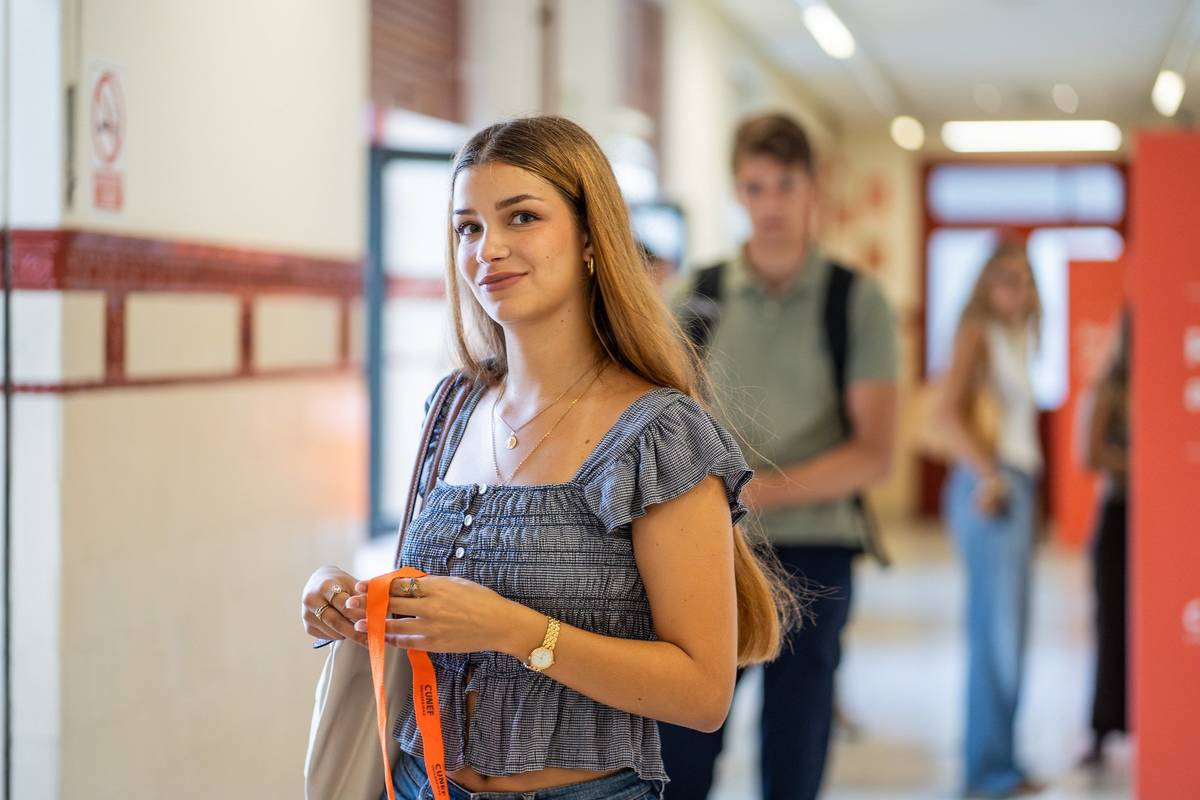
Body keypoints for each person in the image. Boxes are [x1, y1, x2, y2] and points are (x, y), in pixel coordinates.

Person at [299, 115, 794, 800]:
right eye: (468, 227)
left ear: (592, 238)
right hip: (417, 782)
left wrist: (515, 630)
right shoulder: (452, 407)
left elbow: (704, 693)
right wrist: (351, 599)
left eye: (521, 217)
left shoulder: (656, 434)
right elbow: (437, 595)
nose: (487, 249)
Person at [659, 111, 898, 800]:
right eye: (755, 186)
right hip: (712, 550)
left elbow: (874, 454)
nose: (770, 205)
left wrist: (750, 491)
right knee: (686, 746)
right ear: (737, 191)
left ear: (814, 188)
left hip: (815, 551)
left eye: (785, 185)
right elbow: (661, 422)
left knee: (795, 751)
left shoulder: (855, 300)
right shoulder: (696, 298)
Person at [939, 240, 1044, 798]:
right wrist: (989, 475)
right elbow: (943, 414)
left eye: (1024, 278)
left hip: (1018, 486)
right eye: (1004, 277)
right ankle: (986, 772)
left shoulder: (1019, 338)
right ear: (984, 282)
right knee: (994, 636)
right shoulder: (975, 333)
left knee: (1014, 635)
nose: (1015, 288)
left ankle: (1004, 760)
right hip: (991, 490)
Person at [1080, 310, 1130, 766]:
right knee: (1113, 625)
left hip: (1163, 522)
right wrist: (1145, 462)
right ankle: (1102, 727)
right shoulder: (1112, 387)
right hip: (1120, 517)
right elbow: (1090, 453)